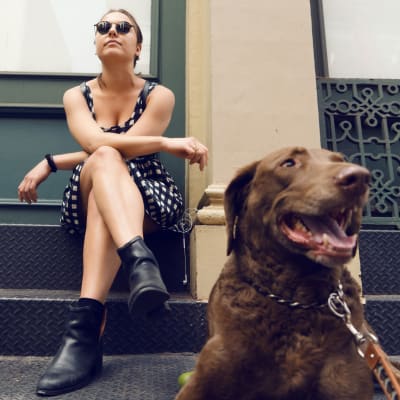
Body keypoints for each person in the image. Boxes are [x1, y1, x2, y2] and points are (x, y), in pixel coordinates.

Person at [17, 8, 208, 397]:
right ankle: (139, 261)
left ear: (138, 47)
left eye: (124, 27)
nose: (113, 32)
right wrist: (167, 143)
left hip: (147, 191)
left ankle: (85, 330)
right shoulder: (76, 96)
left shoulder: (159, 95)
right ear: (96, 42)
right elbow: (94, 146)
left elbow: (126, 150)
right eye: (103, 27)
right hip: (96, 182)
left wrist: (52, 162)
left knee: (109, 163)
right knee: (103, 159)